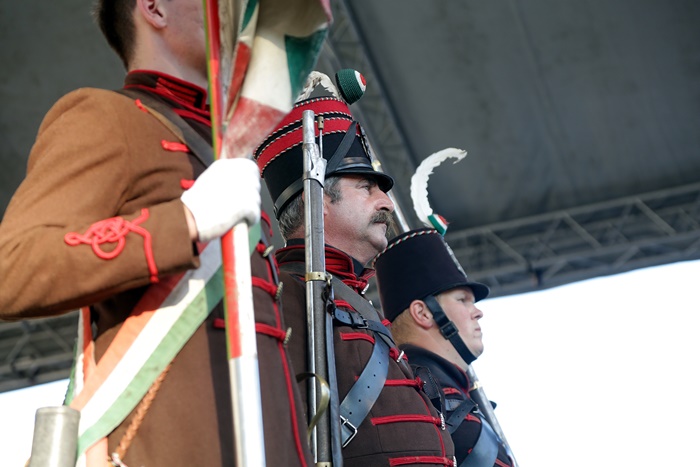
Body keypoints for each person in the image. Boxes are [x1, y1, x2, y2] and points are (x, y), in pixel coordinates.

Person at [0, 0, 312, 465]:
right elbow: (14, 268)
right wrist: (185, 223)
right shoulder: (108, 116)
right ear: (154, 8)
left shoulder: (222, 149)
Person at [254, 83, 456, 466]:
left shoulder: (357, 303)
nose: (387, 203)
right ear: (317, 199)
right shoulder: (282, 295)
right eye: (366, 187)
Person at [374, 228, 514, 467]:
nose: (478, 312)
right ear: (423, 313)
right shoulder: (426, 401)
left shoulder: (446, 399)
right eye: (462, 300)